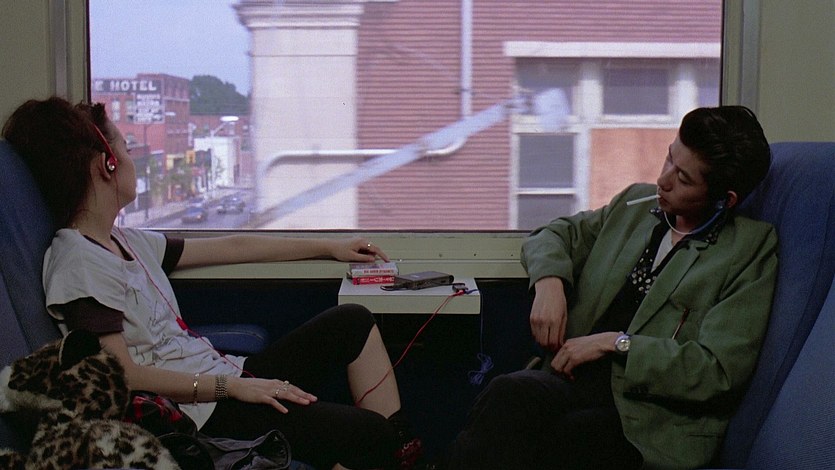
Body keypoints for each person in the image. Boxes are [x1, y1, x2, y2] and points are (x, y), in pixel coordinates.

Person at [2, 96, 423, 470]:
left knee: (352, 321)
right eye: (126, 148)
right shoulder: (79, 261)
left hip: (222, 379)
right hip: (199, 414)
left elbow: (234, 245)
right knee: (369, 436)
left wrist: (329, 247)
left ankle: (401, 453)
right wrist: (233, 388)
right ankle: (387, 449)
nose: (131, 159)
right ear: (105, 163)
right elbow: (123, 375)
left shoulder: (124, 241)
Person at [444, 106, 777, 469]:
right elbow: (552, 235)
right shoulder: (635, 206)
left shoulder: (747, 250)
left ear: (724, 199)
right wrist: (549, 283)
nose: (663, 180)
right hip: (573, 383)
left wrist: (616, 343)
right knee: (509, 393)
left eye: (683, 178)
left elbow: (716, 371)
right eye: (669, 157)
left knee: (569, 437)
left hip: (649, 420)